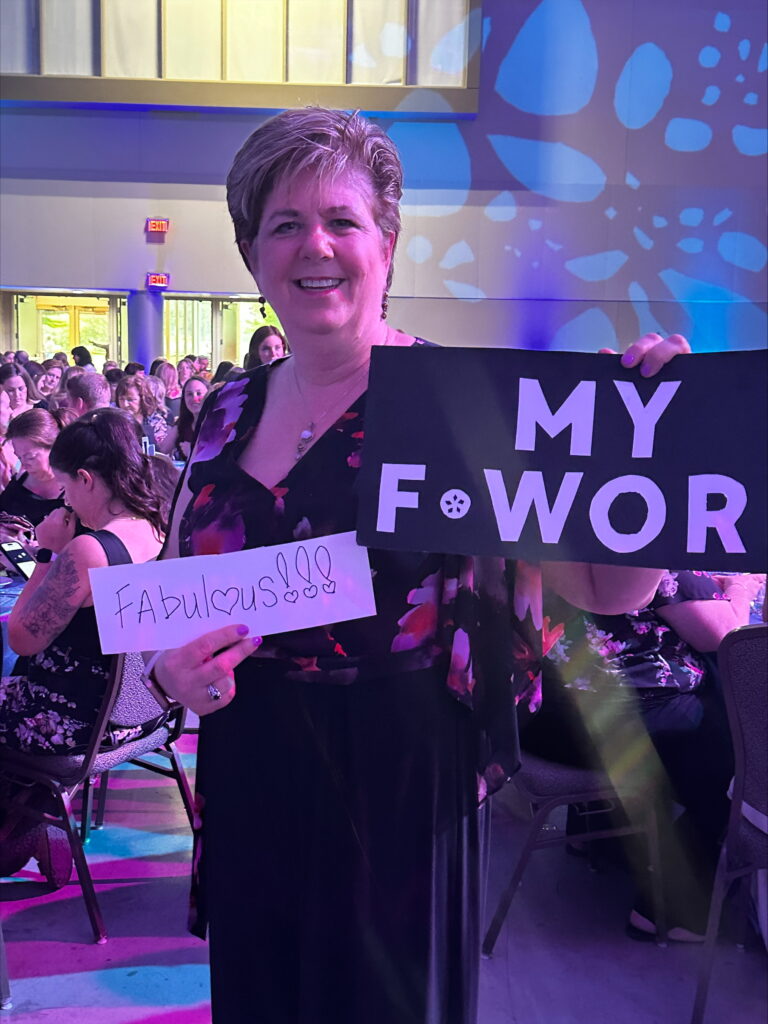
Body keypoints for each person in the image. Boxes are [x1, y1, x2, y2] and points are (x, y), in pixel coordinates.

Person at [141, 107, 690, 1024]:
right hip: (251, 761)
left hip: (400, 779)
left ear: (387, 243)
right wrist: (171, 669)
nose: (315, 246)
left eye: (342, 220)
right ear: (252, 254)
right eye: (284, 224)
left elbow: (609, 590)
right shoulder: (223, 411)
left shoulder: (464, 406)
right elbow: (174, 598)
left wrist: (653, 450)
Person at [521, 568, 765, 941]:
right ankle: (672, 911)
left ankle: (595, 837)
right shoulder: (648, 549)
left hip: (541, 719)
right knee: (740, 756)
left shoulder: (554, 531)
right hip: (611, 727)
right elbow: (727, 634)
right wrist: (742, 587)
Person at [1, 409, 168, 757]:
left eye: (66, 488)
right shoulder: (159, 527)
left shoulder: (90, 550)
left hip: (77, 722)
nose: (66, 501)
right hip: (148, 708)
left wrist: (47, 552)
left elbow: (21, 639)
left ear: (85, 479)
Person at [0, 409, 72, 537]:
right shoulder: (21, 478)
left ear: (54, 448)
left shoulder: (73, 492)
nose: (23, 464)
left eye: (30, 457)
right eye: (19, 457)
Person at [160, 375, 210, 462]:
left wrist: (192, 452)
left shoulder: (217, 424)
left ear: (209, 395)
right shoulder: (182, 423)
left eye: (199, 393)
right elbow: (162, 450)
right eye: (189, 394)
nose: (195, 398)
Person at [115, 374, 167, 446]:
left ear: (142, 399)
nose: (125, 404)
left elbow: (162, 452)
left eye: (130, 400)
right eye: (121, 399)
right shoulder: (114, 421)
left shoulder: (156, 421)